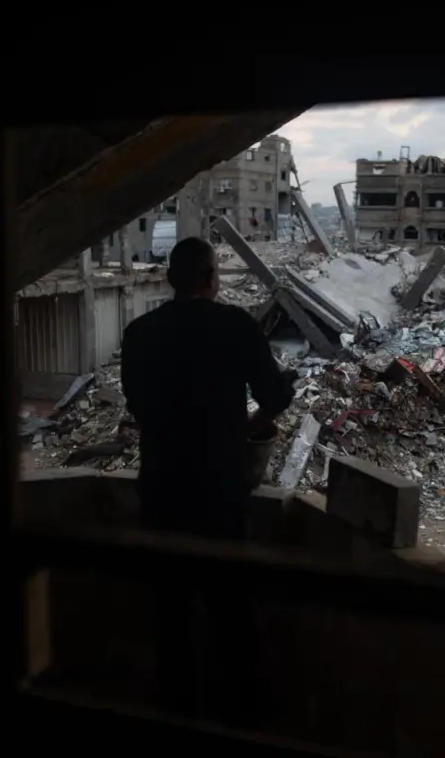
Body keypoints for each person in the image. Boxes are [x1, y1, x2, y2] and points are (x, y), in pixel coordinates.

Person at [120, 236, 295, 723]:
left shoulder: (139, 334)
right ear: (209, 277)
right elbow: (277, 397)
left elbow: (138, 408)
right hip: (219, 489)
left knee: (170, 614)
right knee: (230, 611)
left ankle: (175, 712)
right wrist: (243, 429)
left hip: (161, 487)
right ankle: (238, 718)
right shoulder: (235, 326)